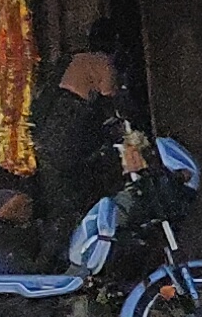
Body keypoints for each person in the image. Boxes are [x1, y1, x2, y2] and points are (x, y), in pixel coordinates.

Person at [26, 47, 135, 257]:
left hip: (46, 137)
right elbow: (109, 92)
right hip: (68, 133)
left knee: (54, 203)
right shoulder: (103, 62)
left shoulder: (70, 58)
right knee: (67, 207)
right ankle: (59, 258)